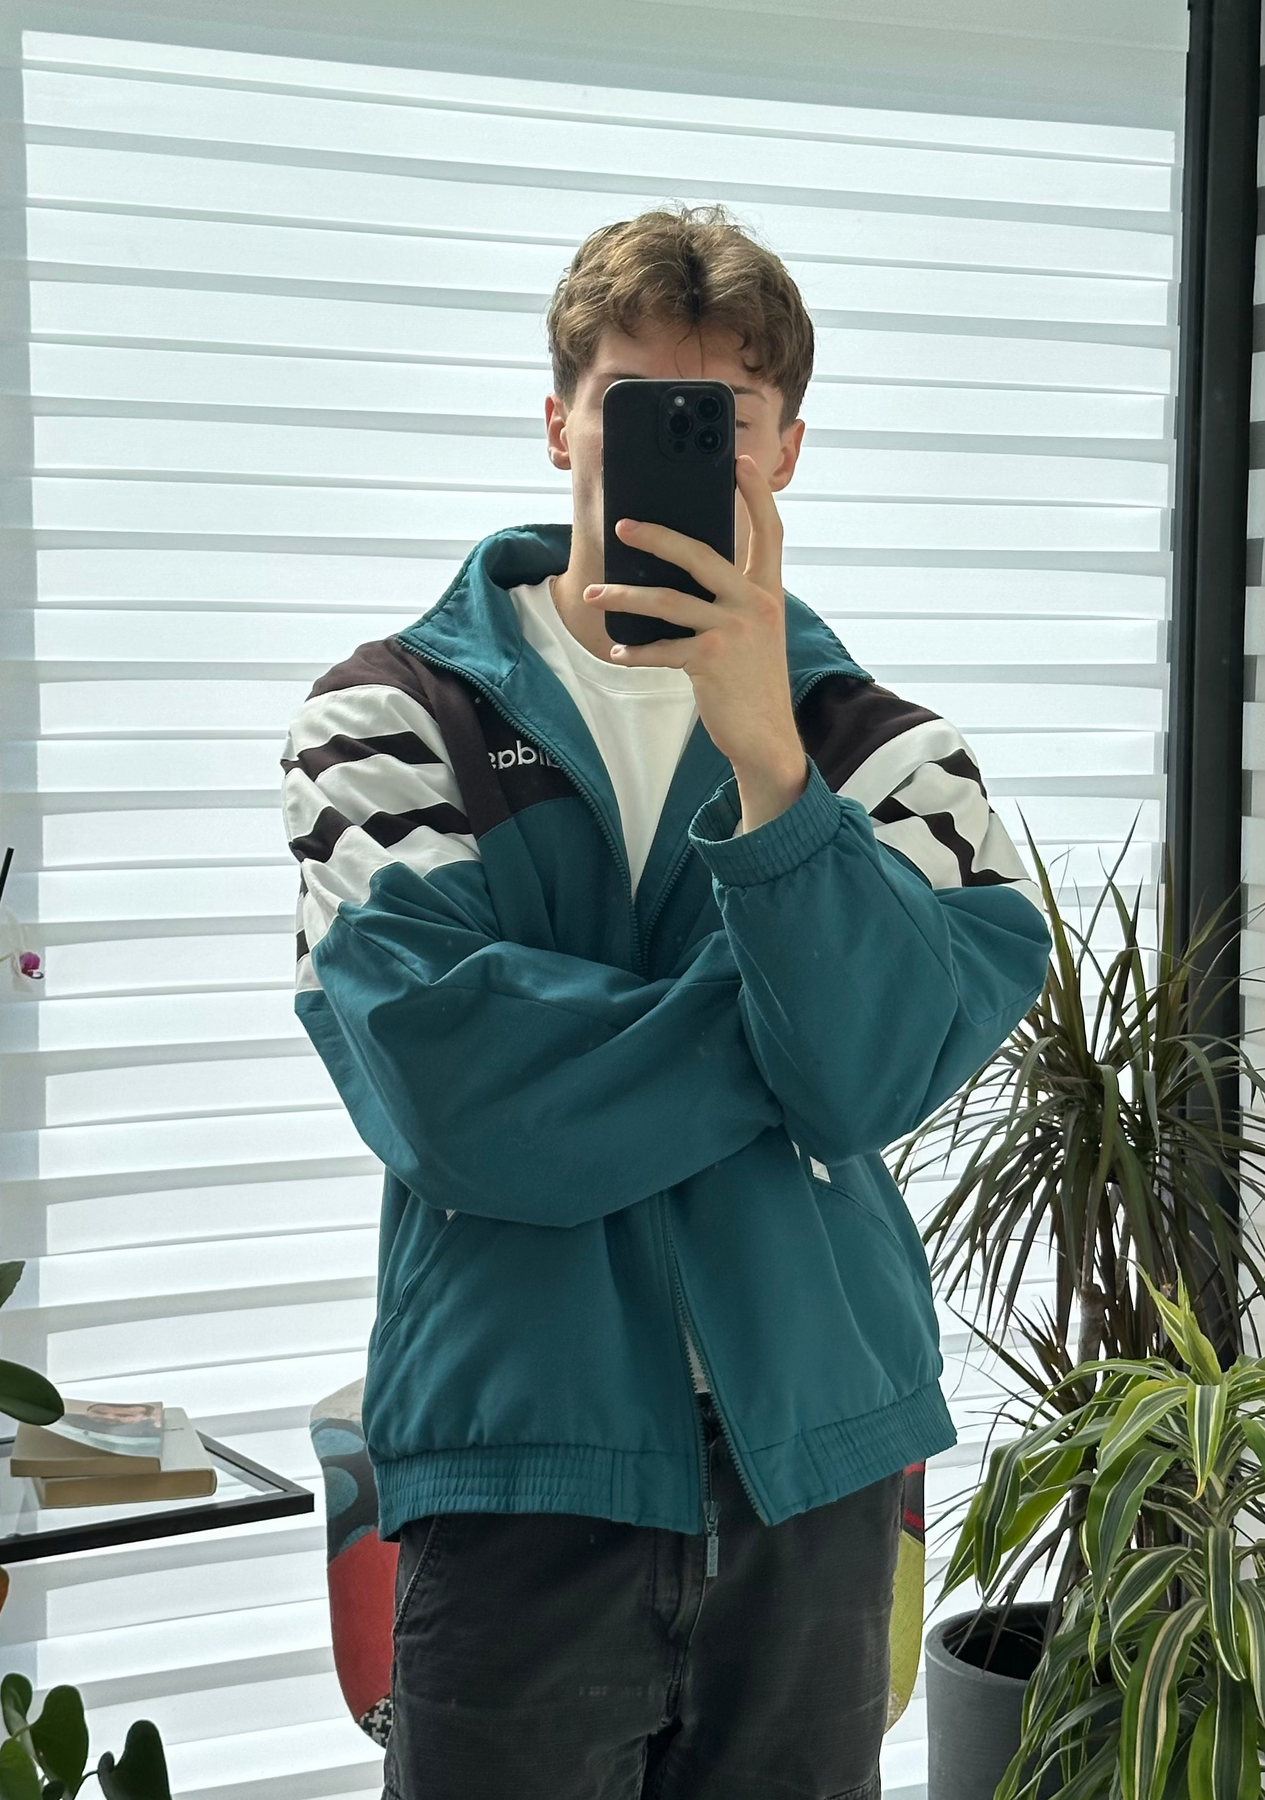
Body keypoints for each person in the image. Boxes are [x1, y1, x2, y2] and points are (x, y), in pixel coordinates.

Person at [280, 203, 1051, 1800]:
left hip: (815, 1469)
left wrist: (773, 767)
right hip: (515, 1457)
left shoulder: (891, 756)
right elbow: (457, 1102)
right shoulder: (387, 718)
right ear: (559, 421)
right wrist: (784, 1026)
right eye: (636, 406)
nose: (684, 449)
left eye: (727, 417)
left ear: (786, 451)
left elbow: (867, 1077)